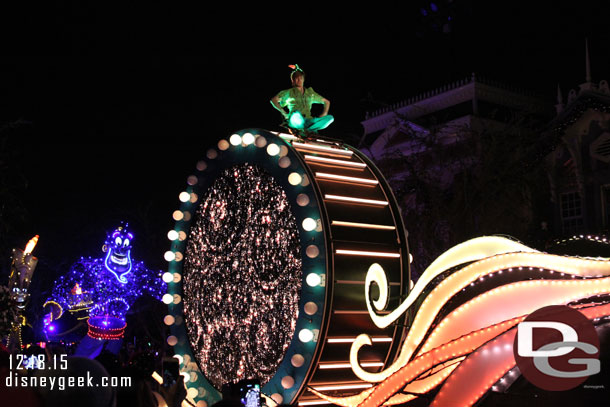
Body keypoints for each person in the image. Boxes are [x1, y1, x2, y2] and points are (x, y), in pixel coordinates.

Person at [270, 64, 333, 135]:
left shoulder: (310, 92)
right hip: (296, 120)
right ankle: (302, 130)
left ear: (303, 79)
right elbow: (273, 100)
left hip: (309, 121)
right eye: (296, 78)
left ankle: (308, 130)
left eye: (301, 78)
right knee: (296, 115)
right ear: (293, 80)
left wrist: (324, 113)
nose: (299, 80)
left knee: (330, 118)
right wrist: (284, 112)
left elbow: (326, 101)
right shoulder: (288, 92)